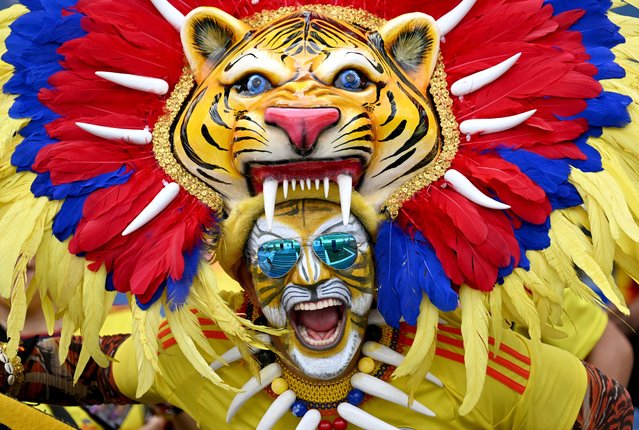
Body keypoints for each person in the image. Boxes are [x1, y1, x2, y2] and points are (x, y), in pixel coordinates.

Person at [0, 0, 638, 429]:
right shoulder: (195, 351)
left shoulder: (467, 358)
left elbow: (604, 400)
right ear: (245, 281)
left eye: (338, 251)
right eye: (276, 257)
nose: (309, 276)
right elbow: (74, 368)